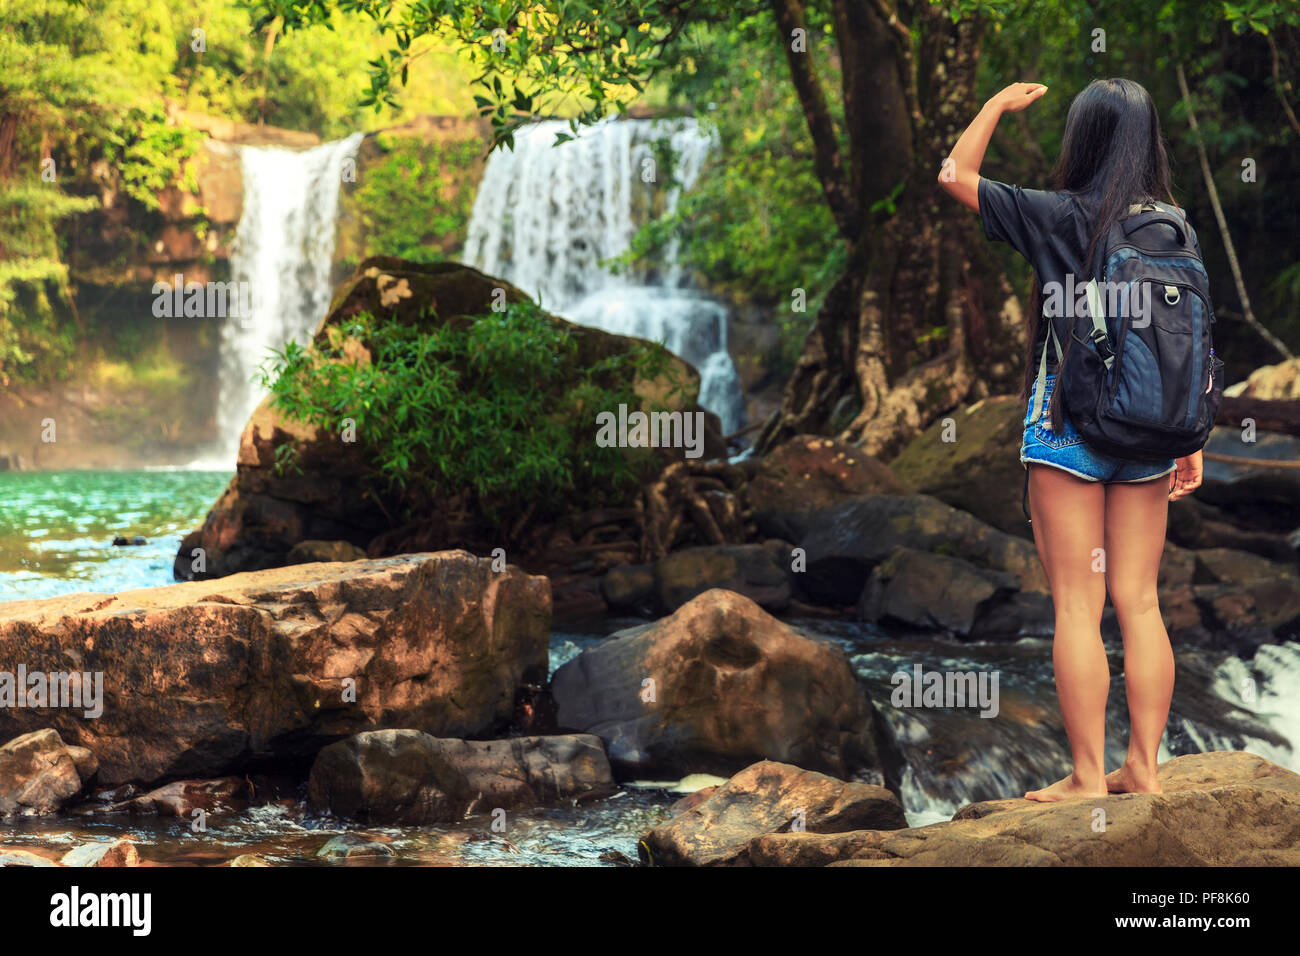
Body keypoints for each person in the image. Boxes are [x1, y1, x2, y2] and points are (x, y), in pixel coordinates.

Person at [938, 78, 1205, 802]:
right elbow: (1189, 338)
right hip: (1153, 431)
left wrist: (993, 104)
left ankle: (1089, 777)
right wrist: (1192, 434)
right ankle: (1144, 770)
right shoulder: (1172, 227)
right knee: (1141, 602)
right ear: (1149, 142)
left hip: (1070, 427)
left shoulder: (1059, 214)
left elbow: (954, 175)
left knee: (1079, 609)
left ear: (1081, 140)